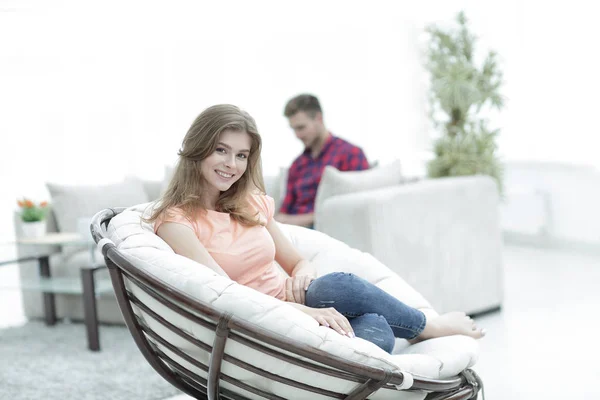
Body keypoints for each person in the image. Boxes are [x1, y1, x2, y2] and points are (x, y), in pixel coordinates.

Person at [147, 104, 485, 354]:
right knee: (349, 305)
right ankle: (429, 327)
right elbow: (229, 297)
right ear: (197, 149)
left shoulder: (248, 202)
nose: (231, 164)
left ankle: (417, 328)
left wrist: (301, 278)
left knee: (375, 328)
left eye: (241, 155)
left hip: (302, 303)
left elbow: (297, 262)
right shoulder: (177, 221)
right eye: (220, 150)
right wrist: (307, 313)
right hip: (262, 321)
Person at [275, 94, 369, 228]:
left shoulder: (350, 154)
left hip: (325, 230)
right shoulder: (297, 165)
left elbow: (357, 208)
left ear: (319, 118)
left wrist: (312, 218)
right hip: (292, 232)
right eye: (293, 129)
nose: (297, 135)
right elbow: (283, 213)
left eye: (301, 127)